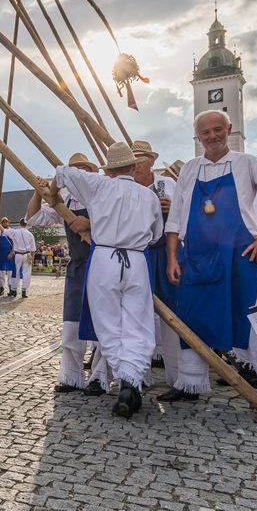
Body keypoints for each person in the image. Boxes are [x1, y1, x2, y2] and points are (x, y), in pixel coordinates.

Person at [164, 110, 257, 421]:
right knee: (191, 320)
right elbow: (175, 219)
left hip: (240, 256)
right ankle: (191, 383)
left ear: (229, 129)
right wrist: (172, 256)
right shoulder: (189, 170)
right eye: (205, 133)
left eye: (217, 130)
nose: (212, 137)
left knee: (252, 321)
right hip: (195, 256)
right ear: (197, 137)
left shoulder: (247, 163)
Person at [55, 145, 163, 418]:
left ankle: (127, 381)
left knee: (108, 324)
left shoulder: (99, 185)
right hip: (137, 260)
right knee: (138, 322)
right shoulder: (148, 196)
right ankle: (131, 381)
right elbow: (155, 235)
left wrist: (53, 190)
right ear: (132, 166)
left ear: (110, 169)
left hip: (104, 259)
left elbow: (62, 172)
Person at [27, 153, 98, 394]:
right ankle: (71, 376)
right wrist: (40, 191)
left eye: (83, 169)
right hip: (78, 266)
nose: (79, 173)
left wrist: (89, 224)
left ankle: (99, 376)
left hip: (102, 263)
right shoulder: (63, 202)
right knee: (72, 321)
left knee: (103, 321)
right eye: (74, 169)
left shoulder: (101, 195)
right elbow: (34, 219)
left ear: (91, 172)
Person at [131, 140, 181, 374]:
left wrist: (172, 208)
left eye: (141, 159)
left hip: (165, 249)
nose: (137, 164)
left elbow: (185, 212)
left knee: (171, 307)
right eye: (133, 160)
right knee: (137, 309)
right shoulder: (127, 186)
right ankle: (139, 369)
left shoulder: (167, 183)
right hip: (137, 251)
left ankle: (177, 372)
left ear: (151, 162)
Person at [0, 217, 14, 294]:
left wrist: (11, 253)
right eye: (4, 222)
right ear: (2, 223)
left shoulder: (11, 231)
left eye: (7, 222)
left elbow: (15, 244)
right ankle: (1, 288)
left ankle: (11, 289)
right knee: (1, 273)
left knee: (10, 273)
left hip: (10, 256)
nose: (5, 223)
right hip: (1, 255)